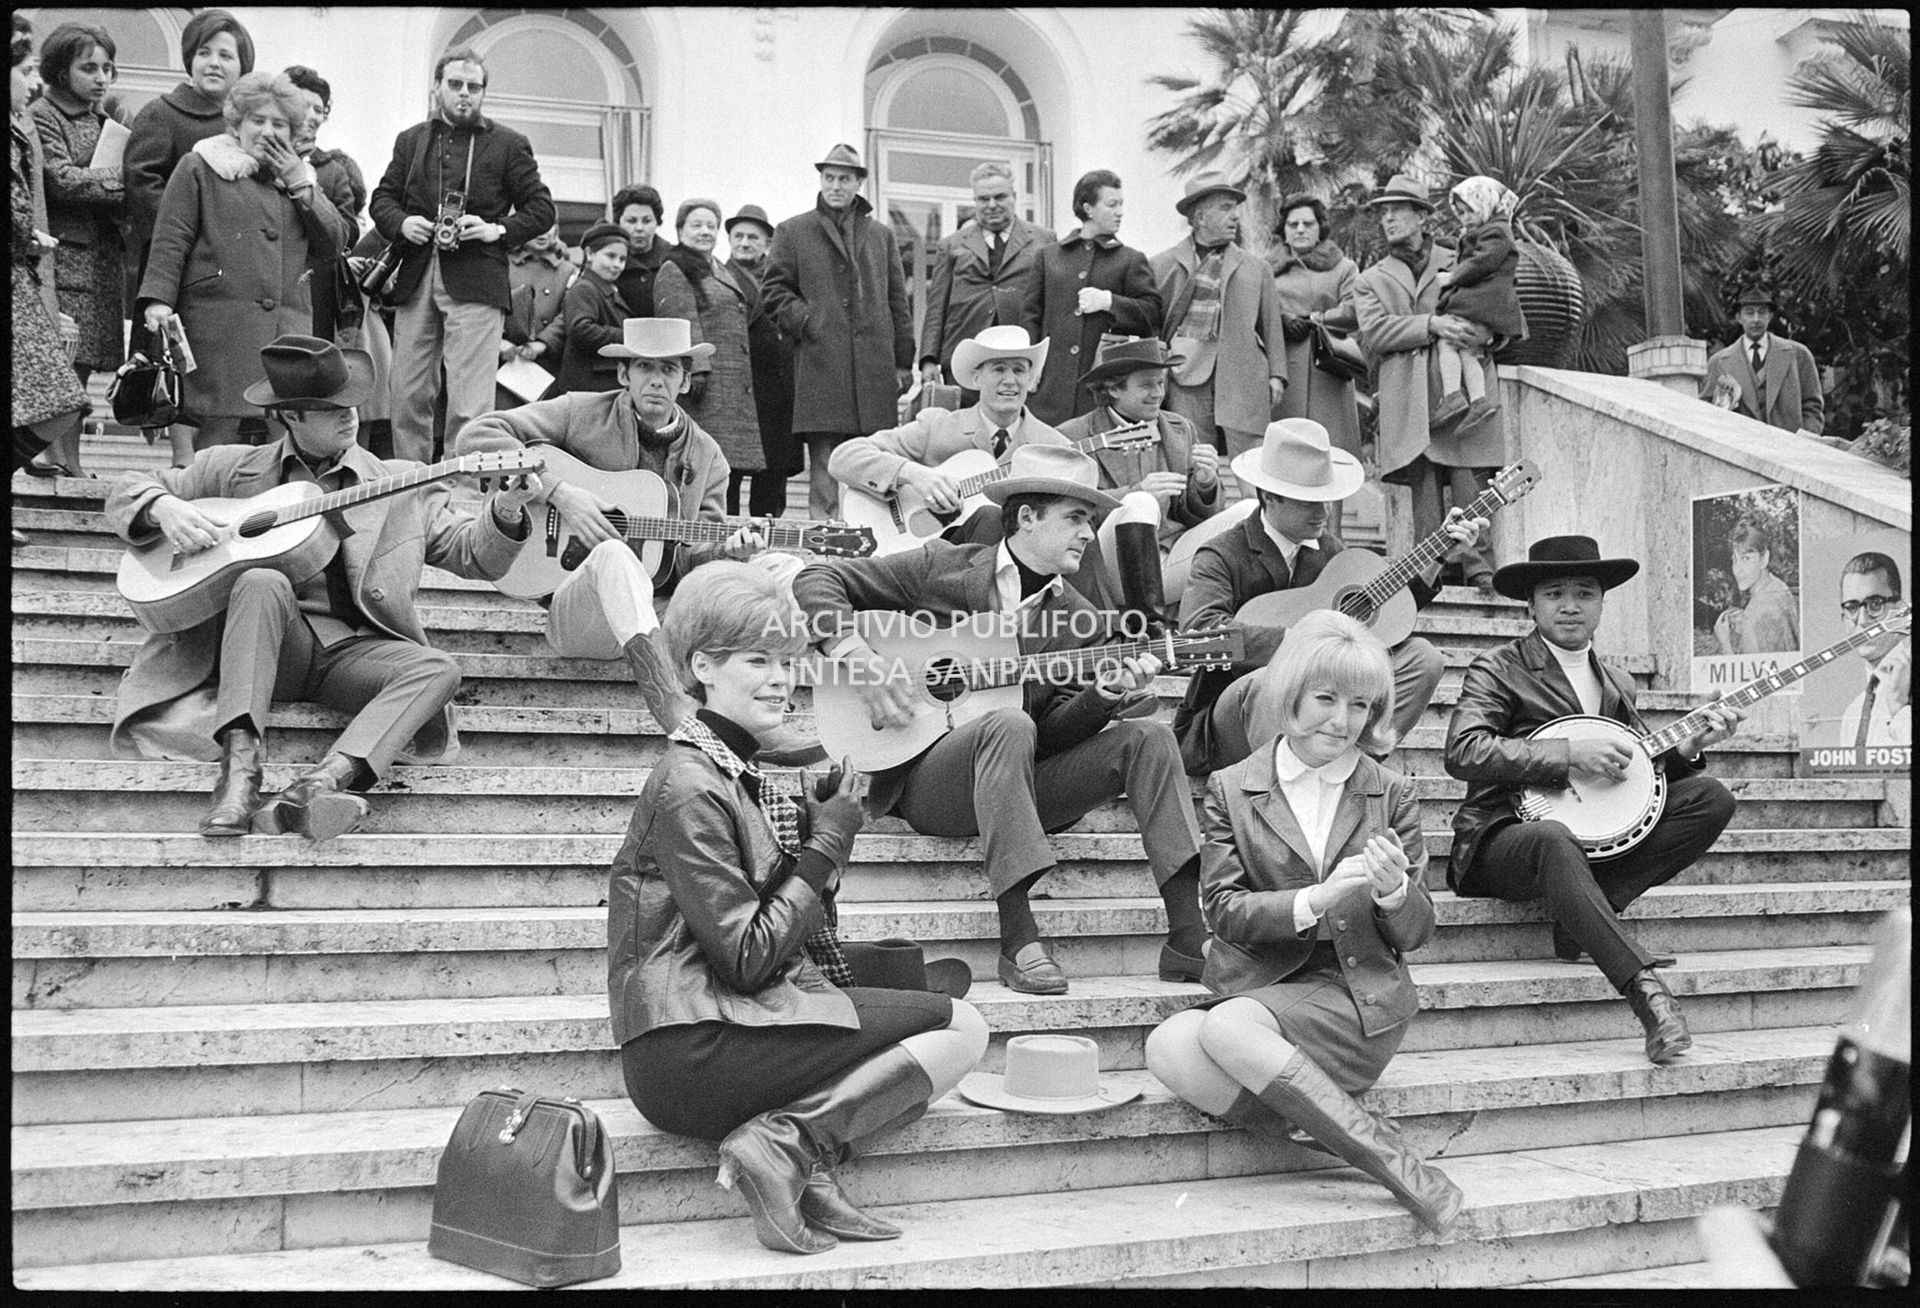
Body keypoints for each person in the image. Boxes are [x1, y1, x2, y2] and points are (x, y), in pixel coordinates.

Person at [609, 562, 989, 1255]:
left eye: (788, 661)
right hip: (687, 1048)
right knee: (960, 1028)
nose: (782, 679)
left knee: (918, 994)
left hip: (715, 1027)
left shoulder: (730, 770)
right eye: (758, 659)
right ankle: (786, 1141)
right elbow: (750, 957)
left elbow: (788, 933)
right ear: (703, 667)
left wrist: (817, 846)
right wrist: (828, 844)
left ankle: (802, 1161)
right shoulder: (690, 783)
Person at [793, 444, 1210, 994]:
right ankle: (1018, 938)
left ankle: (1188, 935)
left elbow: (1054, 731)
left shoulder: (1080, 618)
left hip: (1020, 781)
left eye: (1091, 522)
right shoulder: (942, 567)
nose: (1089, 535)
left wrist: (1101, 698)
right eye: (1076, 518)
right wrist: (859, 659)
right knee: (1009, 725)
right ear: (1027, 517)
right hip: (927, 779)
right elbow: (817, 578)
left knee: (1150, 737)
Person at [103, 335, 541, 841]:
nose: (349, 416)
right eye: (329, 408)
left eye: (351, 402)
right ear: (291, 417)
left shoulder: (399, 481)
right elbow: (126, 487)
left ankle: (318, 786)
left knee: (437, 667)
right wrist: (163, 506)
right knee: (263, 580)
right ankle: (239, 775)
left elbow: (472, 554)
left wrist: (506, 511)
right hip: (262, 644)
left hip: (350, 653)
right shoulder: (231, 468)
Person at [1144, 611, 1462, 1235]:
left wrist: (1397, 892)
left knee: (1227, 1026)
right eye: (1325, 698)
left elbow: (1418, 934)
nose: (1342, 722)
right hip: (1263, 992)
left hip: (1357, 1000)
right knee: (1168, 1047)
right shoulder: (1232, 787)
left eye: (1361, 706)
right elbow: (1223, 911)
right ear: (1289, 694)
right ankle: (1361, 1137)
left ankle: (1402, 1172)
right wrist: (1315, 900)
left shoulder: (1389, 791)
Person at [455, 317, 818, 761]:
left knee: (782, 568)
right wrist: (561, 492)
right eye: (645, 367)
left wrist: (726, 551)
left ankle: (762, 721)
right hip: (582, 617)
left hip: (662, 620)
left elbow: (692, 569)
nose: (656, 381)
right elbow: (476, 437)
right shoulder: (578, 412)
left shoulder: (708, 456)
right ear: (624, 375)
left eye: (669, 370)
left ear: (685, 381)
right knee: (613, 552)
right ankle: (671, 703)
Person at [1445, 535, 1744, 1065]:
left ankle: (1583, 919)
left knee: (1711, 797)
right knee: (1554, 840)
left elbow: (1636, 769)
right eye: (1554, 592)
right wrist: (1564, 755)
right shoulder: (1497, 667)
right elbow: (1464, 751)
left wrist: (1689, 748)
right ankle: (1651, 1002)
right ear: (1531, 604)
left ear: (1602, 603)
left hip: (1590, 839)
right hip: (1504, 836)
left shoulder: (1617, 681)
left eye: (1584, 592)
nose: (1569, 605)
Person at [1174, 419, 1479, 776]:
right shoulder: (1222, 553)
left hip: (1322, 706)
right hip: (1231, 718)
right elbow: (1195, 636)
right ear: (1269, 496)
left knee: (1423, 659)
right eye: (1309, 502)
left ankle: (1352, 771)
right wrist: (1295, 644)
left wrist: (1438, 556)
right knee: (1267, 682)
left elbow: (1382, 612)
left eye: (1328, 500)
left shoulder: (1332, 551)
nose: (1324, 513)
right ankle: (1269, 789)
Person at [138, 71, 348, 454]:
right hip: (218, 321)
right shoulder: (201, 165)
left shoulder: (301, 179)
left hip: (286, 324)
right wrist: (158, 299)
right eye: (257, 120)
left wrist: (301, 184)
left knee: (283, 429)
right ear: (237, 124)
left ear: (294, 131)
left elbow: (333, 242)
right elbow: (172, 238)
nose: (268, 131)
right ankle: (203, 502)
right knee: (217, 427)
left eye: (279, 123)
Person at [370, 48, 554, 464]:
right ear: (437, 88)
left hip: (477, 280)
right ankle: (409, 488)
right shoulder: (412, 140)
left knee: (471, 402)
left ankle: (463, 495)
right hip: (417, 277)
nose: (465, 94)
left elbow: (542, 209)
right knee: (408, 394)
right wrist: (401, 223)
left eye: (474, 86)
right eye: (455, 85)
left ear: (484, 92)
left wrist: (498, 230)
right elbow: (382, 198)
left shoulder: (508, 144)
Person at [1354, 175, 1505, 594]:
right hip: (1409, 393)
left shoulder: (1462, 253)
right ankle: (1429, 572)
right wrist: (1431, 324)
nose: (1388, 219)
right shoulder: (1371, 278)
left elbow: (1499, 298)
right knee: (1424, 487)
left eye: (1397, 210)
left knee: (1469, 477)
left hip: (1465, 389)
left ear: (1421, 215)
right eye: (1383, 213)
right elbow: (1375, 333)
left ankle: (1480, 569)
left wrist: (1490, 335)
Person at [761, 143, 914, 520]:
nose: (835, 186)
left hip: (873, 374)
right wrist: (810, 322)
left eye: (844, 178)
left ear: (859, 183)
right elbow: (773, 291)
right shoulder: (793, 231)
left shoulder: (882, 236)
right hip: (821, 369)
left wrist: (902, 361)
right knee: (826, 471)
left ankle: (871, 546)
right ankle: (824, 552)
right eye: (829, 177)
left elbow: (898, 300)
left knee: (874, 471)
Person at [1057, 335, 1223, 606]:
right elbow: (1067, 516)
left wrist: (1205, 484)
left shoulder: (1181, 428)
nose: (1158, 393)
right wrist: (1135, 494)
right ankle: (1148, 623)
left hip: (1172, 556)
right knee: (1140, 502)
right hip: (1109, 565)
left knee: (1249, 509)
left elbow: (1195, 516)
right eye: (1147, 385)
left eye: (1161, 383)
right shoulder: (1073, 435)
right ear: (1113, 389)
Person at [28, 20, 124, 480]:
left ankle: (67, 457)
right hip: (63, 260)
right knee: (64, 362)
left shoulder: (106, 122)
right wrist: (122, 182)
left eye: (107, 68)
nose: (101, 77)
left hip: (102, 261)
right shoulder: (43, 114)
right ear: (61, 70)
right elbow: (60, 180)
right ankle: (56, 456)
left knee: (84, 369)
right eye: (89, 67)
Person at [1150, 174, 1286, 478]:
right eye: (1225, 208)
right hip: (1184, 377)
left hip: (1243, 376)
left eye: (1235, 208)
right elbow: (1153, 323)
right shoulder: (1162, 265)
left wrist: (1277, 374)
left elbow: (1271, 326)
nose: (1235, 216)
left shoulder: (1256, 268)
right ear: (1199, 217)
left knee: (1253, 470)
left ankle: (1256, 521)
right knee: (1193, 466)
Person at [12, 13, 90, 537]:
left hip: (23, 281)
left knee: (59, 400)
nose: (33, 82)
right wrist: (25, 234)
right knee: (57, 398)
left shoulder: (16, 128)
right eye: (24, 70)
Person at [1021, 168, 1162, 427]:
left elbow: (1152, 313)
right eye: (1112, 204)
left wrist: (1110, 301)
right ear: (1088, 208)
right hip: (1049, 388)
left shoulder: (1130, 260)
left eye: (1121, 204)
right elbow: (1031, 316)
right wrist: (1029, 365)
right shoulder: (1049, 256)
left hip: (1101, 390)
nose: (1120, 212)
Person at [655, 197, 770, 514]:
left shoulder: (716, 268)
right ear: (680, 230)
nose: (704, 231)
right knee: (710, 467)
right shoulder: (675, 268)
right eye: (696, 225)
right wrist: (698, 371)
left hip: (730, 388)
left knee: (727, 468)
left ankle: (726, 535)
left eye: (710, 225)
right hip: (704, 388)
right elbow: (682, 323)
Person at [918, 161, 1052, 404]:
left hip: (1019, 358)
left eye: (1000, 197)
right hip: (966, 358)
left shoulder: (1043, 241)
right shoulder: (952, 245)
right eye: (983, 199)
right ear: (975, 201)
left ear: (1014, 196)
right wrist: (929, 359)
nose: (991, 205)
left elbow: (1051, 305)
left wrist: (1043, 360)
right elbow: (937, 306)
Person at [1269, 194, 1363, 459]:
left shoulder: (1343, 267)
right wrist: (1281, 319)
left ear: (1320, 227)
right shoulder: (1266, 269)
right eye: (1293, 224)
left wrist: (1315, 319)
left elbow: (1354, 309)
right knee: (1286, 457)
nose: (1300, 229)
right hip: (1282, 372)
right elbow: (1255, 310)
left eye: (1308, 224)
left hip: (1329, 370)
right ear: (1283, 231)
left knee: (1331, 453)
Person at [1431, 176, 1526, 430]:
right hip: (1482, 303)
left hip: (1481, 302)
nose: (1465, 218)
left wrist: (1453, 276)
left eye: (1470, 210)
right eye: (1460, 213)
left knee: (1447, 340)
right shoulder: (1491, 231)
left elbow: (1482, 262)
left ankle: (1452, 395)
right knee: (1468, 349)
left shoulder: (1495, 232)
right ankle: (1478, 400)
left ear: (1485, 205)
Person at [725, 202, 799, 516]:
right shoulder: (719, 277)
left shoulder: (781, 277)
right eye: (738, 236)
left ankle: (767, 546)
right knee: (728, 475)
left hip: (777, 394)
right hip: (737, 391)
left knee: (771, 476)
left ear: (767, 243)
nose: (744, 242)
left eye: (752, 237)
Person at [283, 65, 365, 343]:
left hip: (315, 287)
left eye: (319, 109)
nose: (312, 116)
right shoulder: (260, 156)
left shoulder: (332, 171)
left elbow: (349, 231)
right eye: (304, 105)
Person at [1699, 285, 1825, 435]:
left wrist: (1806, 438)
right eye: (1749, 313)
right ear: (1739, 318)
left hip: (1789, 450)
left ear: (1770, 316)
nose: (1756, 319)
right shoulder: (1718, 363)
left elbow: (1812, 405)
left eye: (1762, 312)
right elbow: (1706, 413)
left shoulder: (1798, 355)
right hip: (1742, 450)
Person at [544, 222, 629, 396]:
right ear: (590, 254)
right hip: (588, 384)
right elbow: (581, 329)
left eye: (622, 259)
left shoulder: (606, 289)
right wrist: (628, 336)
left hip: (599, 381)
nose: (617, 265)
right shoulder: (585, 288)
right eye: (611, 256)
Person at [1836, 552, 1910, 747]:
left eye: (1875, 604)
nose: (1863, 620)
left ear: (1901, 612)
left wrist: (1901, 712)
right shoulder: (1852, 714)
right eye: (1852, 607)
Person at [497, 220, 571, 408]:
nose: (543, 232)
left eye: (549, 225)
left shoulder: (567, 270)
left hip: (545, 367)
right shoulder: (500, 263)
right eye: (537, 224)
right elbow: (487, 307)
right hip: (503, 364)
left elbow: (567, 313)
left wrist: (543, 343)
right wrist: (497, 342)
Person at [1712, 521, 1800, 656]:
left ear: (1764, 559)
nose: (1738, 570)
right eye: (1734, 560)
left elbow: (1748, 675)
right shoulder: (1778, 585)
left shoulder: (1752, 615)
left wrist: (1725, 643)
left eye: (1746, 558)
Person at [610, 183, 673, 320]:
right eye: (631, 221)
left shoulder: (674, 259)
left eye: (647, 221)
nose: (639, 228)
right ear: (618, 222)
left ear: (657, 222)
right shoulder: (606, 261)